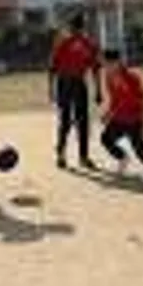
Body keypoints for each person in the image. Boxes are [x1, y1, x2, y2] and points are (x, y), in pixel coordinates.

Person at [100, 49, 143, 182]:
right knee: (106, 138)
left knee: (139, 146)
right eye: (105, 64)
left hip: (134, 118)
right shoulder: (108, 77)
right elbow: (115, 99)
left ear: (118, 62)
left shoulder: (131, 77)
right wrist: (107, 114)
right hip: (118, 117)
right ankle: (123, 158)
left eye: (108, 64)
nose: (106, 67)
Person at [50, 12, 102, 170]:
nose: (76, 31)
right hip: (68, 83)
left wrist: (99, 90)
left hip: (73, 83)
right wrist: (98, 90)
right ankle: (63, 154)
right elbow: (53, 67)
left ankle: (81, 156)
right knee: (68, 121)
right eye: (75, 28)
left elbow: (95, 68)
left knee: (80, 121)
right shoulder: (66, 42)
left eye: (76, 28)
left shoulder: (86, 44)